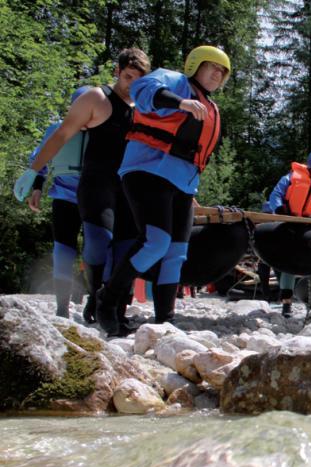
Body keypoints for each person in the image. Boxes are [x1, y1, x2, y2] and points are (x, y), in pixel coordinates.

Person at [95, 45, 230, 335]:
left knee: (176, 253)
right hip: (148, 170)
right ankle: (106, 301)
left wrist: (191, 188)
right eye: (212, 67)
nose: (217, 74)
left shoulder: (210, 107)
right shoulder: (174, 81)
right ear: (195, 65)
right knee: (155, 241)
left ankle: (165, 322)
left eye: (222, 71)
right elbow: (143, 91)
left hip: (182, 183)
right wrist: (180, 103)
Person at [24, 48, 151, 332]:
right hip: (90, 186)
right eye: (128, 76)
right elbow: (61, 135)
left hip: (126, 189)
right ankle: (85, 300)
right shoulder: (97, 98)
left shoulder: (144, 108)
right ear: (117, 72)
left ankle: (113, 310)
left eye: (138, 80)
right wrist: (35, 175)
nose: (132, 84)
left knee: (126, 250)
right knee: (92, 246)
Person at [13, 86, 91, 318]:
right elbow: (40, 160)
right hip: (64, 196)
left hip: (94, 196)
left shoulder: (105, 132)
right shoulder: (57, 130)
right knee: (63, 250)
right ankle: (62, 307)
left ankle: (95, 302)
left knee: (95, 251)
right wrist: (37, 188)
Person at [268, 150, 311, 318]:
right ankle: (286, 302)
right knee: (284, 263)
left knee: (294, 261)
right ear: (310, 165)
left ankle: (294, 301)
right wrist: (279, 209)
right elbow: (276, 194)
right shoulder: (290, 178)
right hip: (286, 221)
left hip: (307, 225)